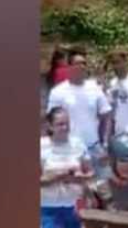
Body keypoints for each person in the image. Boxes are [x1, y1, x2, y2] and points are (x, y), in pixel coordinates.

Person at [47, 48, 113, 180]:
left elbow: (106, 116)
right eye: (78, 63)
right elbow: (51, 120)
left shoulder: (94, 88)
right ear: (69, 66)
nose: (82, 66)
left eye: (84, 63)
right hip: (70, 150)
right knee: (77, 192)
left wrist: (104, 143)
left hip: (94, 148)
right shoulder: (58, 92)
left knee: (103, 188)